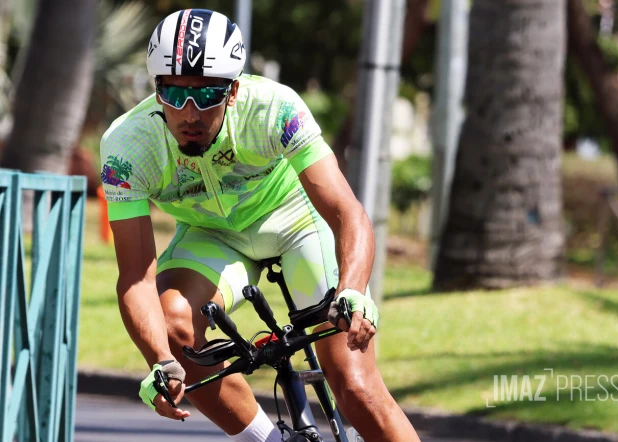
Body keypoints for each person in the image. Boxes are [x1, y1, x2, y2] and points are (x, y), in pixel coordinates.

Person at [100, 8, 420, 442]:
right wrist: (159, 360)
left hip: (293, 221)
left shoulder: (274, 108)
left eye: (207, 94)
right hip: (212, 235)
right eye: (175, 94)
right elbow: (136, 277)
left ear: (232, 91)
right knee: (173, 328)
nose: (190, 113)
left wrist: (352, 289)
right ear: (157, 91)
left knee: (355, 386)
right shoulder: (127, 147)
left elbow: (348, 212)